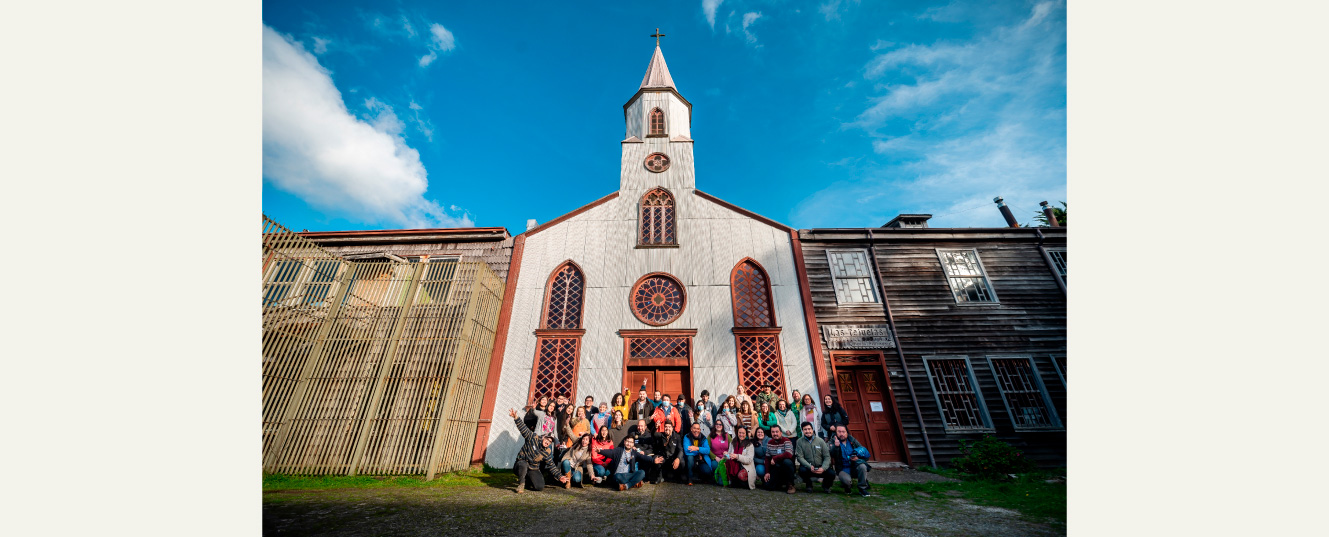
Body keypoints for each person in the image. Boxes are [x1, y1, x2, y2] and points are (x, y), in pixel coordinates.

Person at [507, 408, 566, 493]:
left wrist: (560, 476)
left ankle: (527, 480)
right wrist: (516, 417)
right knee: (523, 464)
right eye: (547, 439)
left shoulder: (547, 452)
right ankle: (521, 484)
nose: (548, 442)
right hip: (521, 463)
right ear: (543, 438)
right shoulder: (533, 437)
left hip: (533, 468)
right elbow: (523, 428)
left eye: (550, 441)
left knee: (539, 486)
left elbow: (552, 466)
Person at [592, 435, 659, 490]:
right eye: (627, 441)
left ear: (633, 444)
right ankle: (633, 483)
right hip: (619, 475)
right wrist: (600, 451)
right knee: (617, 477)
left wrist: (653, 460)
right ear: (624, 442)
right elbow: (610, 452)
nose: (629, 443)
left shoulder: (634, 453)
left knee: (642, 473)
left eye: (631, 442)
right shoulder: (618, 450)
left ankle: (626, 485)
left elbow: (643, 457)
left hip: (629, 475)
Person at [829, 425, 872, 497]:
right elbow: (832, 455)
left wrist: (857, 458)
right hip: (843, 469)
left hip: (854, 466)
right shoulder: (833, 441)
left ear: (847, 432)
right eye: (839, 432)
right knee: (847, 482)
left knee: (862, 466)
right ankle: (847, 486)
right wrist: (836, 447)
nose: (841, 434)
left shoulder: (853, 441)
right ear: (836, 433)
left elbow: (864, 453)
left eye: (843, 432)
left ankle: (862, 489)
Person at [795, 422, 834, 493]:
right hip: (808, 467)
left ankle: (826, 486)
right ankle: (809, 485)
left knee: (831, 473)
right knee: (802, 471)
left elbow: (827, 456)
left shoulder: (820, 441)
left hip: (820, 467)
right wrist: (809, 466)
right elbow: (800, 457)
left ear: (812, 430)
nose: (807, 431)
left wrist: (823, 467)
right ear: (803, 431)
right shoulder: (799, 442)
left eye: (809, 429)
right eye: (805, 429)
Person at [763, 425, 797, 494]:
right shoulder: (770, 443)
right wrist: (767, 472)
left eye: (777, 432)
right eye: (773, 432)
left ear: (781, 432)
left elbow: (789, 454)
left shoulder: (787, 441)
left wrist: (775, 458)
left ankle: (790, 485)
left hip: (786, 466)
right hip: (776, 467)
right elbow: (767, 458)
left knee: (787, 462)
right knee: (768, 486)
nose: (775, 434)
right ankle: (780, 482)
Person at [724, 425, 758, 489]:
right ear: (737, 433)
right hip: (734, 465)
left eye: (743, 433)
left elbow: (749, 460)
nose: (741, 435)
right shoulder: (733, 442)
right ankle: (733, 480)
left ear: (746, 434)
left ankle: (743, 482)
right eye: (740, 433)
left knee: (741, 477)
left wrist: (737, 456)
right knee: (728, 463)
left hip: (744, 466)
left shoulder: (749, 445)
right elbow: (729, 455)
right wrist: (726, 455)